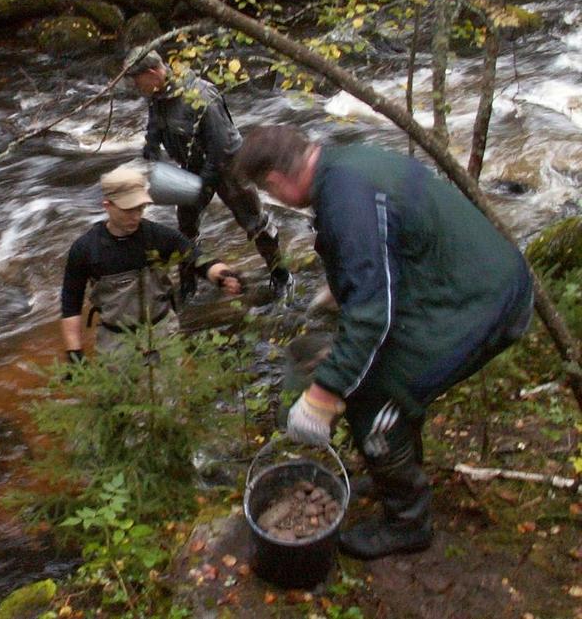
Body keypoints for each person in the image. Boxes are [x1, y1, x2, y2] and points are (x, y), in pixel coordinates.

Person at [228, 125, 534, 559]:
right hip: (456, 283)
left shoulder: (345, 198)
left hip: (482, 304)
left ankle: (408, 523)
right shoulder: (345, 161)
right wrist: (345, 286)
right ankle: (396, 465)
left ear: (275, 182)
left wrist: (321, 395)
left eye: (267, 189)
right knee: (365, 371)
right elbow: (390, 239)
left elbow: (372, 319)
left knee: (372, 392)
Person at [123, 48, 291, 301]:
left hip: (229, 167)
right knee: (185, 230)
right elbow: (155, 123)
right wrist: (151, 146)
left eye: (137, 80)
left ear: (152, 73)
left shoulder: (201, 95)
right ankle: (188, 288)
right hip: (191, 167)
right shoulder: (157, 94)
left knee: (256, 225)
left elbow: (221, 147)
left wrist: (203, 183)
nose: (136, 86)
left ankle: (281, 277)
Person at [60, 164, 242, 361]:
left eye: (140, 208)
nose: (136, 216)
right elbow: (71, 302)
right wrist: (74, 352)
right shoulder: (86, 249)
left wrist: (223, 276)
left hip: (162, 333)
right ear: (108, 205)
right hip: (116, 343)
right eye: (128, 209)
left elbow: (198, 259)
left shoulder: (158, 236)